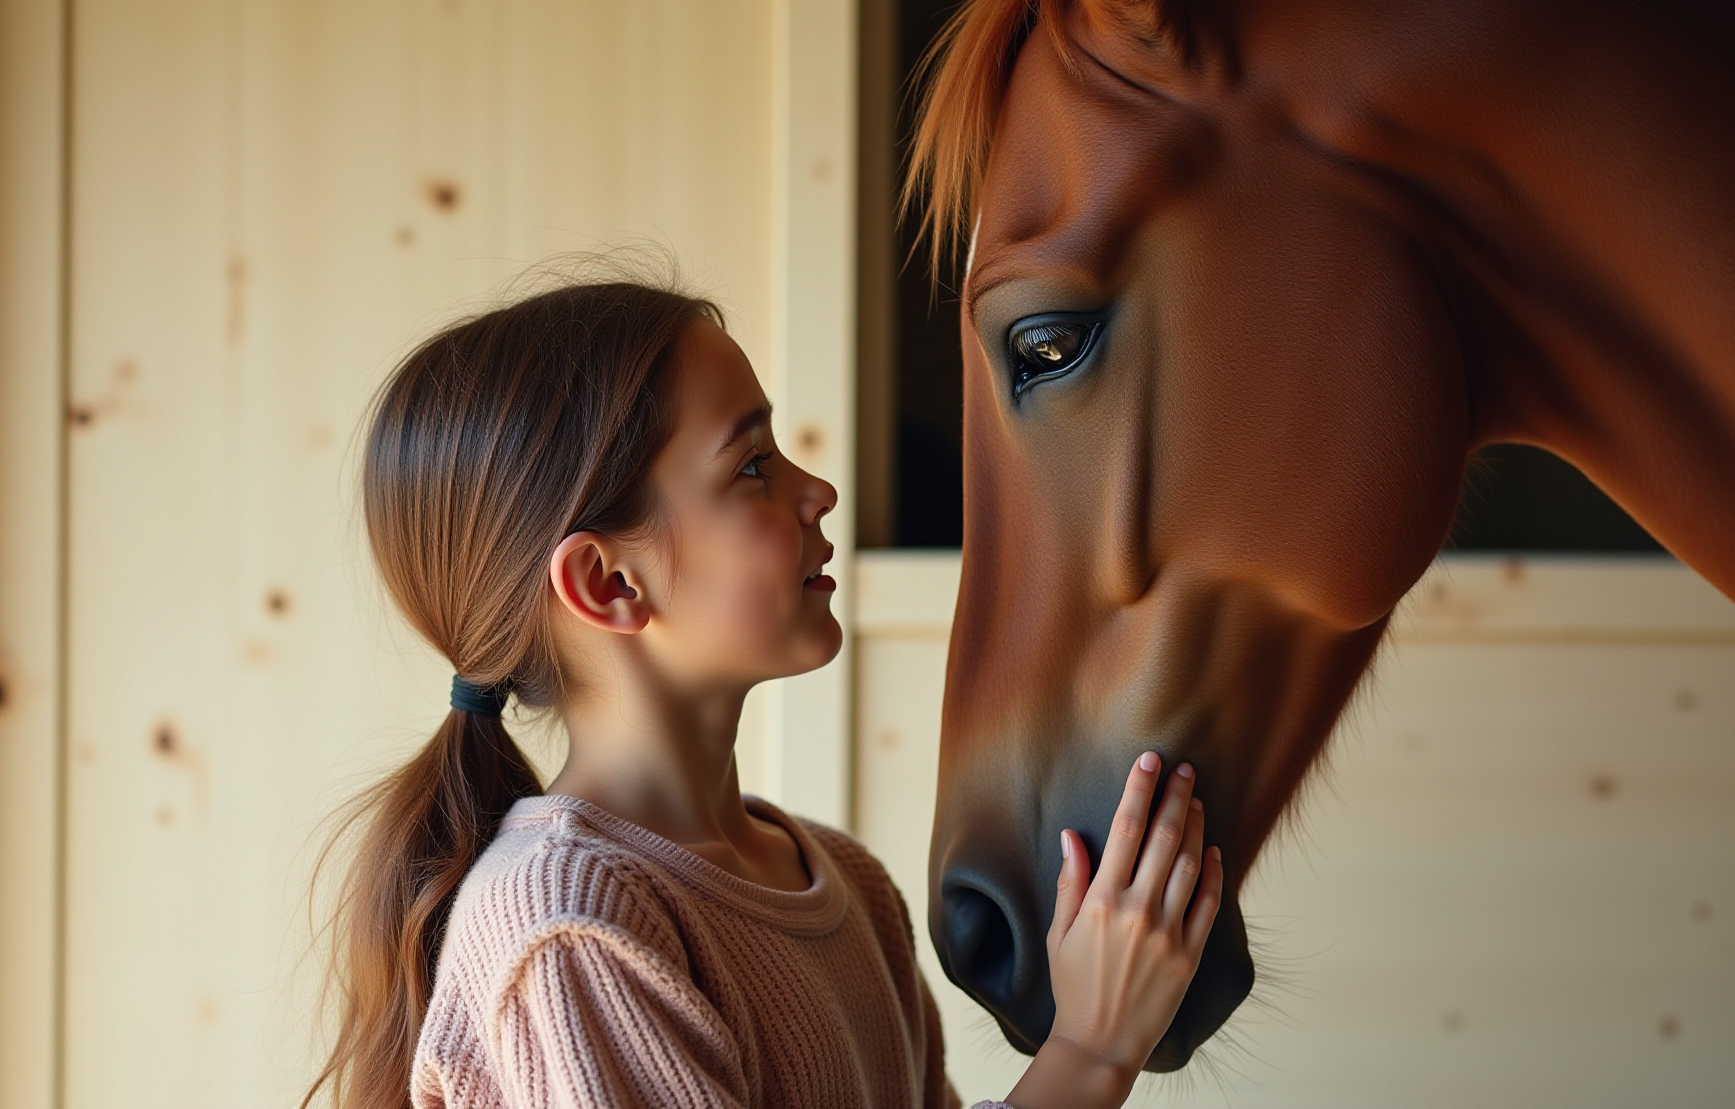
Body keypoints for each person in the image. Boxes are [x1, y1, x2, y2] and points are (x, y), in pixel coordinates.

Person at [303, 275, 1223, 1109]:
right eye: (751, 467)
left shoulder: (842, 881)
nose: (818, 489)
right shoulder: (568, 927)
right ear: (608, 585)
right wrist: (1092, 1054)